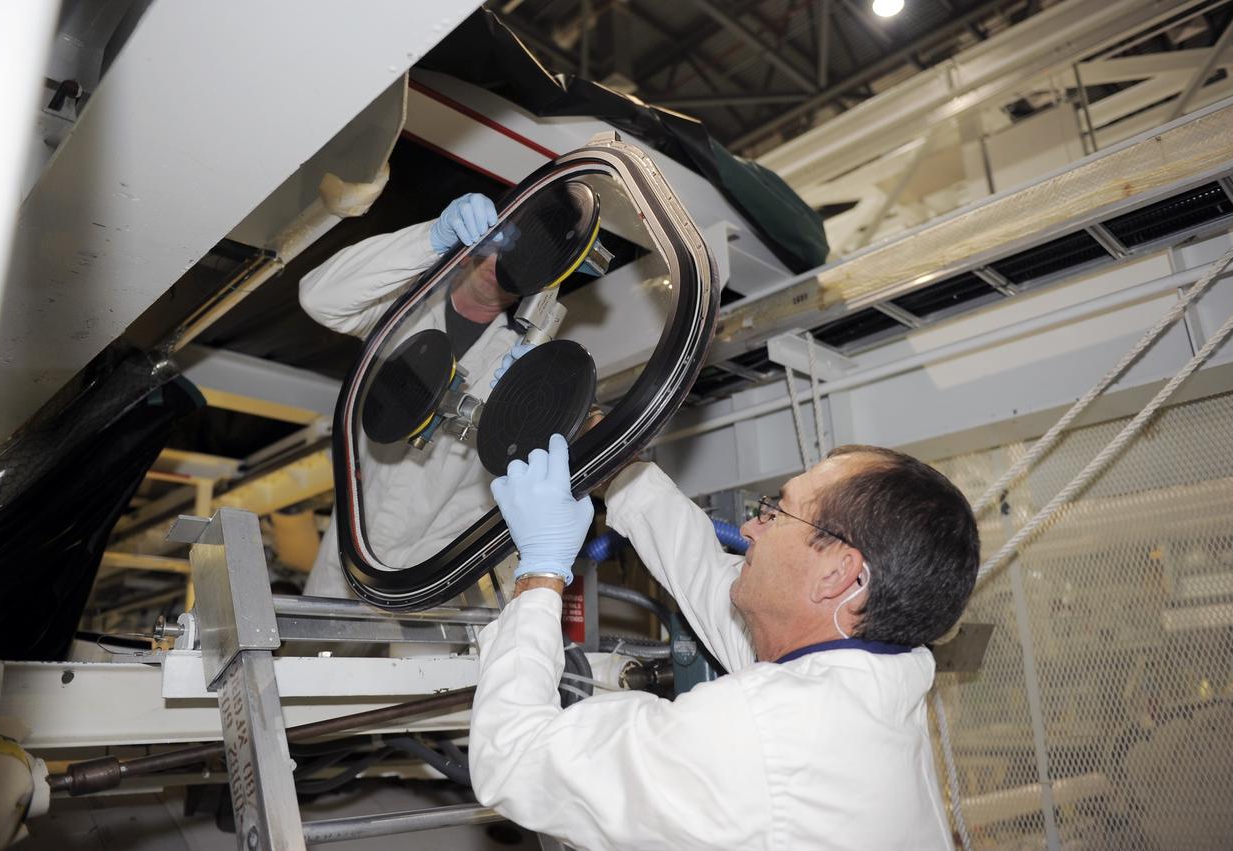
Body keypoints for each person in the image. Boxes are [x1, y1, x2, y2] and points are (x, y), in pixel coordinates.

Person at [469, 434, 980, 850]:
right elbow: (707, 576)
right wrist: (616, 455)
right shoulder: (874, 678)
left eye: (777, 512)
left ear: (837, 574)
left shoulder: (762, 733)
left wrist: (540, 569)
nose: (749, 527)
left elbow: (514, 760)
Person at [298, 192, 516, 596]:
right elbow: (318, 298)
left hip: (434, 569)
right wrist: (432, 238)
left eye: (516, 253)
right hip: (348, 553)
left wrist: (442, 550)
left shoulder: (518, 361)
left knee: (420, 662)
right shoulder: (403, 311)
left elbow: (496, 485)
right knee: (310, 656)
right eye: (496, 243)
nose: (499, 263)